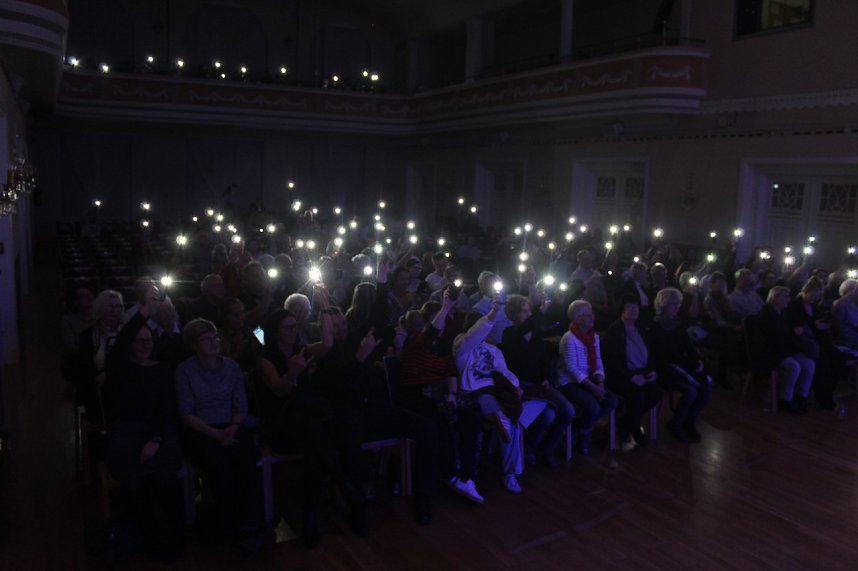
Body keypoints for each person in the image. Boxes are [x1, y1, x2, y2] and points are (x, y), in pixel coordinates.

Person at [310, 306, 440, 526]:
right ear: (324, 329)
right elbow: (340, 390)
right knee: (349, 447)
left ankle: (423, 497)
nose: (342, 329)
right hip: (349, 417)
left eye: (343, 324)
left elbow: (378, 315)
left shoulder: (357, 341)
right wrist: (360, 359)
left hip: (378, 411)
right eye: (336, 326)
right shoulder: (323, 354)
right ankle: (358, 508)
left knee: (428, 430)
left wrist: (381, 276)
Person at [101, 298, 184, 561]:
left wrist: (156, 440)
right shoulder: (119, 368)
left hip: (157, 431)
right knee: (134, 483)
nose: (145, 345)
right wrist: (145, 311)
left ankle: (172, 537)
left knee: (165, 480)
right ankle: (147, 538)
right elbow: (124, 338)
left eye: (149, 341)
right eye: (140, 341)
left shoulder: (161, 369)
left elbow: (166, 408)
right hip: (126, 433)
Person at [174, 319, 264, 556]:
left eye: (215, 337)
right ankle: (229, 528)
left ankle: (251, 527)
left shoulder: (231, 367)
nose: (214, 342)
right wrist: (215, 433)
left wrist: (233, 427)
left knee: (247, 463)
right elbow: (186, 412)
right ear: (194, 344)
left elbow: (240, 404)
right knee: (220, 468)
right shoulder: (184, 371)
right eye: (206, 339)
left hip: (231, 424)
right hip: (202, 428)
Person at [399, 293, 485, 503]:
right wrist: (446, 306)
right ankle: (450, 475)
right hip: (417, 394)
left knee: (471, 418)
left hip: (439, 393)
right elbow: (429, 335)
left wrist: (452, 394)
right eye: (442, 317)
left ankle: (466, 475)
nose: (446, 321)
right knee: (440, 422)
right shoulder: (415, 340)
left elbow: (450, 372)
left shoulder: (444, 345)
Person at [454, 298, 545, 495]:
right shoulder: (462, 346)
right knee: (507, 421)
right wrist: (494, 312)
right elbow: (472, 337)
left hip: (497, 391)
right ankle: (510, 471)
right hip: (473, 393)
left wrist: (515, 386)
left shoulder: (493, 349)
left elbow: (504, 372)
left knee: (527, 411)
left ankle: (510, 467)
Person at [501, 293, 575, 467]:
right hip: (520, 386)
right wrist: (541, 310)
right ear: (513, 315)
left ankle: (548, 447)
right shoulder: (509, 334)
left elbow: (542, 359)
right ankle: (529, 449)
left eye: (529, 311)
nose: (528, 315)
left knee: (568, 411)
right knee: (548, 416)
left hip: (539, 384)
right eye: (523, 311)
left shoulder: (535, 333)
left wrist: (545, 378)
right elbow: (516, 363)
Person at [647, 288, 713, 441]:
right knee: (691, 390)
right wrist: (684, 364)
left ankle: (689, 421)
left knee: (707, 388)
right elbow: (662, 357)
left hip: (682, 366)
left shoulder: (677, 324)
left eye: (678, 304)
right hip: (665, 370)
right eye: (673, 305)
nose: (676, 308)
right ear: (663, 306)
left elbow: (688, 347)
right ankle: (676, 423)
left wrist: (697, 361)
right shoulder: (654, 328)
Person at [556, 300, 619, 455]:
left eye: (592, 313)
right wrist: (593, 388)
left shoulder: (594, 337)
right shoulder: (569, 338)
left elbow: (598, 360)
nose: (592, 317)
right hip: (569, 382)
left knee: (612, 401)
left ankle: (580, 427)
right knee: (593, 405)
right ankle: (584, 434)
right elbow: (572, 369)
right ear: (577, 318)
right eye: (588, 314)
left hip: (589, 380)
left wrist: (600, 381)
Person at [601, 296, 664, 447]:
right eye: (629, 307)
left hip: (641, 371)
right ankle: (634, 428)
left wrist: (651, 370)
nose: (634, 310)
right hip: (620, 375)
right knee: (637, 395)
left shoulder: (641, 328)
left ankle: (626, 423)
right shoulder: (615, 331)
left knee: (656, 392)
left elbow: (648, 353)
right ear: (622, 310)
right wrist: (631, 377)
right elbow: (612, 361)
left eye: (635, 307)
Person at [753, 286, 815, 414]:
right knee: (794, 367)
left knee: (810, 363)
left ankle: (801, 396)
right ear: (775, 298)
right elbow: (773, 337)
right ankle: (785, 399)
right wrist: (792, 333)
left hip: (785, 349)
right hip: (771, 352)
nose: (788, 299)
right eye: (785, 296)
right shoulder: (766, 314)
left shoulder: (783, 313)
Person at [785, 277, 843, 410]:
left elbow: (817, 323)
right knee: (824, 362)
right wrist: (814, 325)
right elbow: (796, 327)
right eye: (814, 294)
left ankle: (829, 391)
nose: (816, 297)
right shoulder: (795, 306)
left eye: (818, 295)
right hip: (802, 343)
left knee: (838, 358)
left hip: (816, 341)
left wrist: (823, 324)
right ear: (807, 291)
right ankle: (822, 396)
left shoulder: (813, 306)